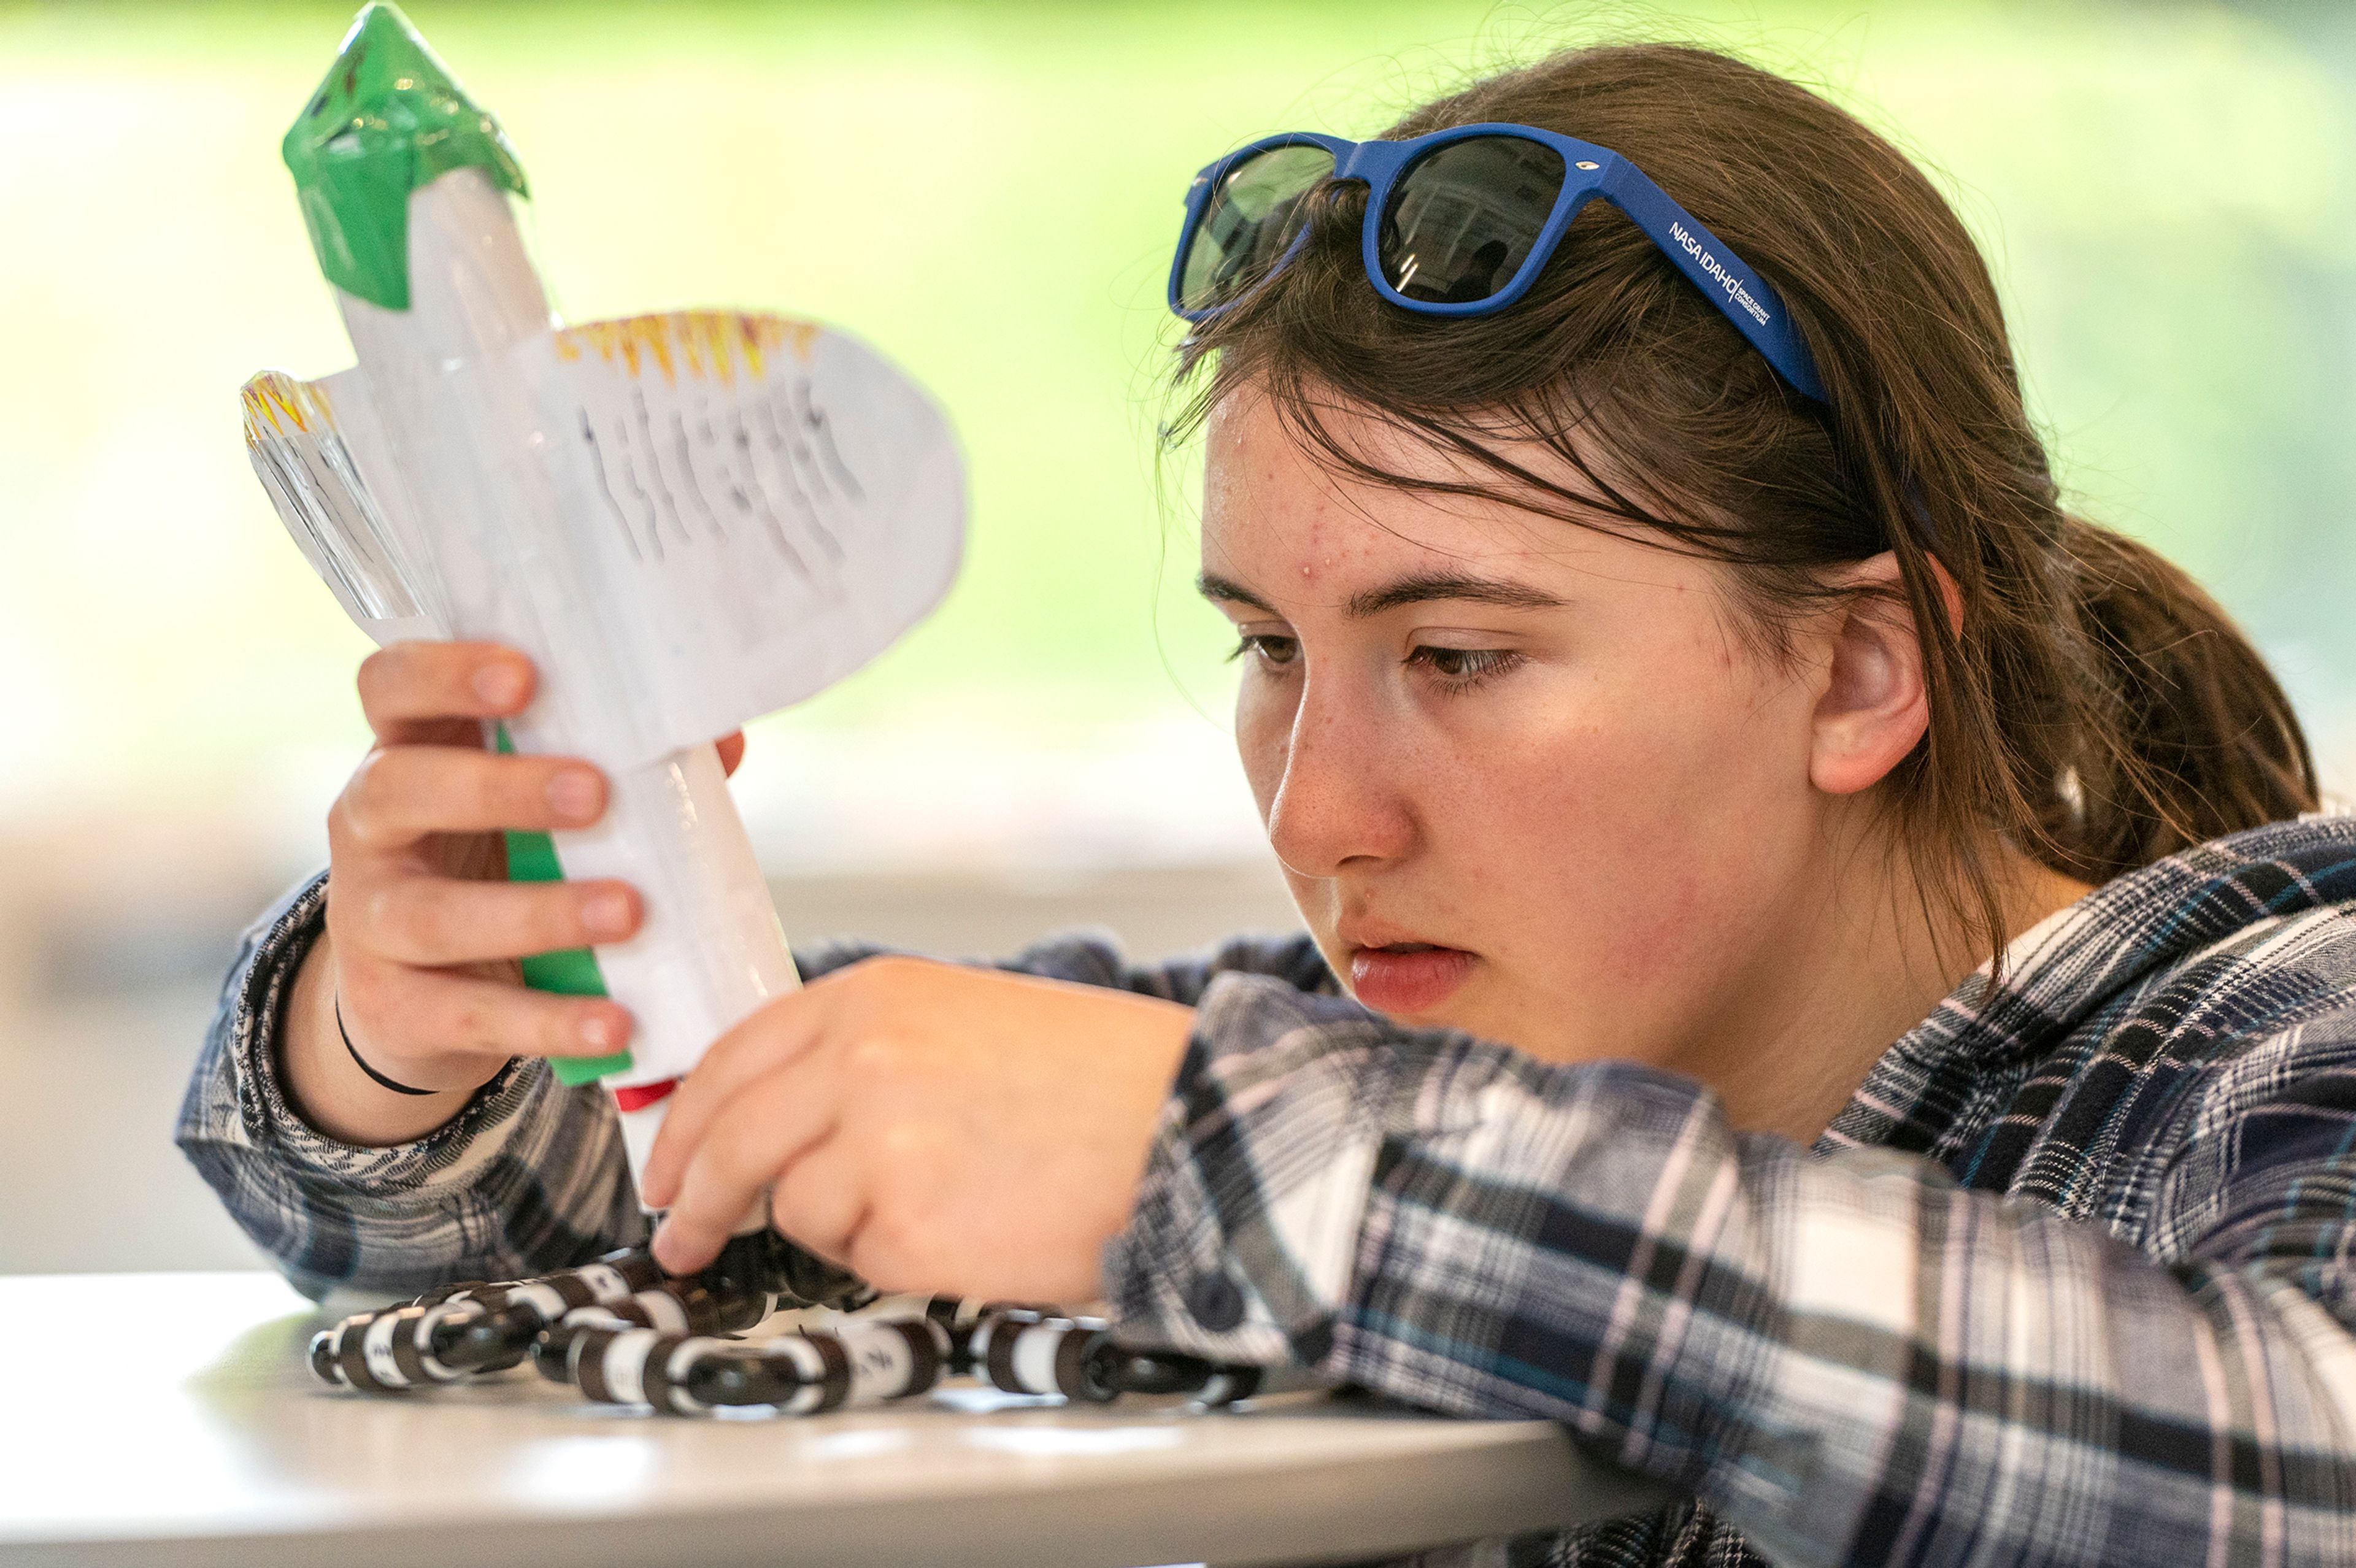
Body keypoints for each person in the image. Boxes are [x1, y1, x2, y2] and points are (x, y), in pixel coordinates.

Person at [179, 39, 2356, 1568]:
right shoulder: (1344, 1065)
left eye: (1463, 657)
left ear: (1861, 668)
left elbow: (2290, 1471)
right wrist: (414, 1030)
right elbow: (625, 1203)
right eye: (1268, 647)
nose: (1324, 808)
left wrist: (1228, 1166)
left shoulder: (2276, 1043)